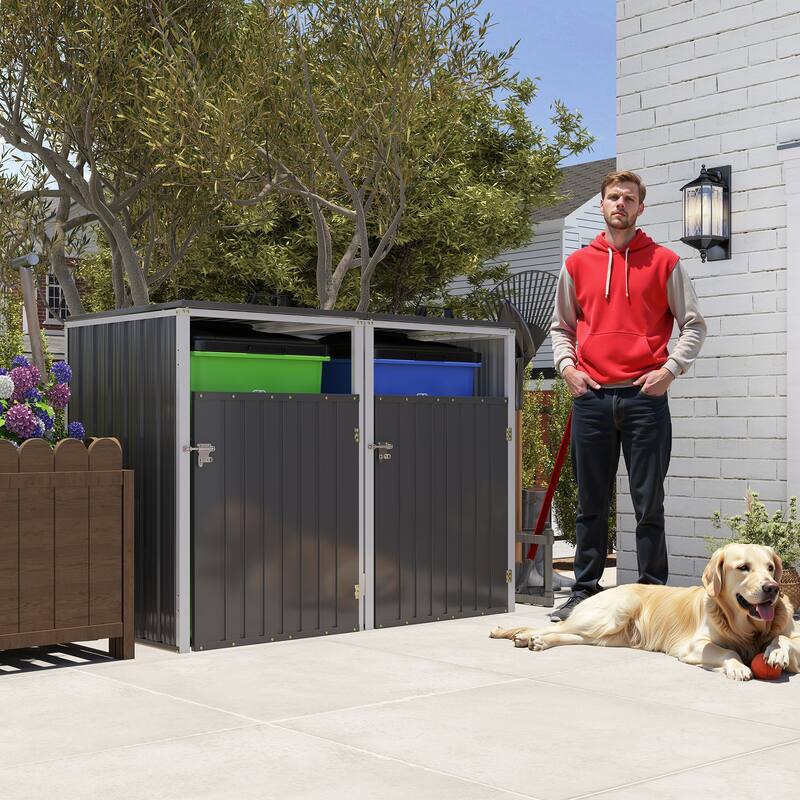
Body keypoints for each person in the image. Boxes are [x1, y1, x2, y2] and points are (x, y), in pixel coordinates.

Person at [548, 169, 707, 622]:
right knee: (590, 505)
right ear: (602, 205)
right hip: (592, 398)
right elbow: (562, 326)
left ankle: (654, 598)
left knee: (648, 504)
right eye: (613, 197)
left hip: (644, 400)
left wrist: (670, 369)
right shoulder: (578, 264)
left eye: (629, 198)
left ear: (641, 207)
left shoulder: (665, 262)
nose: (620, 203)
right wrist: (566, 369)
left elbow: (693, 324)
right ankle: (584, 593)